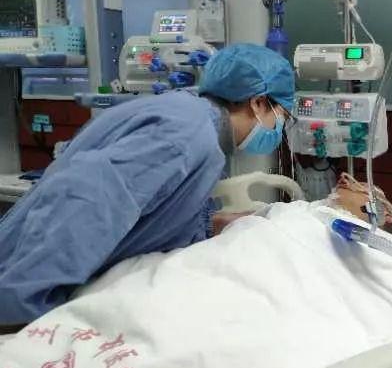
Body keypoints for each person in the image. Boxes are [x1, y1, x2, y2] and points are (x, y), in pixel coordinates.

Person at [0, 43, 295, 326]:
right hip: (23, 293)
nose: (278, 129)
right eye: (281, 116)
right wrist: (22, 309)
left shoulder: (193, 123)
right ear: (258, 102)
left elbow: (160, 213)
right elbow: (83, 207)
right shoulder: (186, 133)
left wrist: (221, 224)